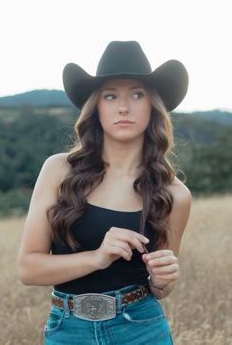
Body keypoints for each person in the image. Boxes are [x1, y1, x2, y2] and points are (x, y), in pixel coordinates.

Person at [18, 40, 191, 345]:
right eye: (111, 96)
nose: (123, 107)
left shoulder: (174, 194)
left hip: (142, 329)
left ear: (152, 105)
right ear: (96, 108)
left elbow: (159, 287)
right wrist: (97, 257)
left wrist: (164, 281)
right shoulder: (59, 171)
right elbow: (28, 269)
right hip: (67, 331)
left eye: (136, 94)